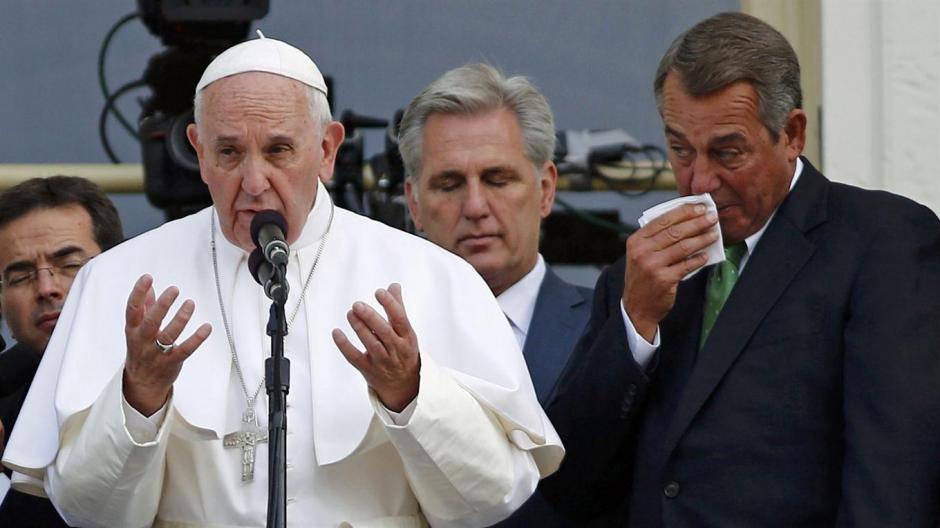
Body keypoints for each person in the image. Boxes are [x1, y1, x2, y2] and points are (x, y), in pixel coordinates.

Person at [3, 34, 562, 528]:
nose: (253, 181)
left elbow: (490, 501)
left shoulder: (429, 275)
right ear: (198, 152)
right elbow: (87, 512)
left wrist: (412, 391)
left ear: (326, 150)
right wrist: (137, 397)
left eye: (278, 150)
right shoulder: (118, 280)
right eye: (228, 152)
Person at [543, 11, 940, 527]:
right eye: (680, 150)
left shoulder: (880, 241)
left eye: (727, 152)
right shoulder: (636, 275)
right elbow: (570, 488)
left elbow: (894, 480)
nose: (699, 181)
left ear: (791, 133)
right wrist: (634, 326)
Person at [400, 63, 591, 526]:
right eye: (449, 184)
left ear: (545, 190)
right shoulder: (384, 339)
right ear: (414, 204)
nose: (475, 207)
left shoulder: (611, 330)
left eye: (497, 179)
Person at [0, 175, 123, 527]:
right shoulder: (7, 412)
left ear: (122, 269)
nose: (46, 287)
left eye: (70, 266)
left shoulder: (189, 379)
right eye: (20, 276)